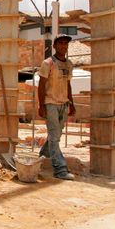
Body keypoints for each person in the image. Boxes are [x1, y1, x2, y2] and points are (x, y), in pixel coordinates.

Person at [38, 34, 76, 181]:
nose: (63, 46)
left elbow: (68, 84)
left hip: (63, 103)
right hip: (51, 103)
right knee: (55, 136)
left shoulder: (69, 64)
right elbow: (41, 85)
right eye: (60, 43)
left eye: (65, 44)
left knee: (57, 134)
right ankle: (60, 169)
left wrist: (71, 103)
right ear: (54, 46)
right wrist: (41, 106)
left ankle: (44, 154)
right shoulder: (48, 63)